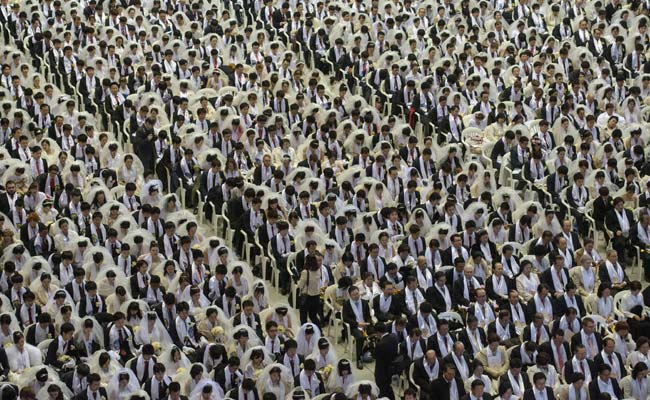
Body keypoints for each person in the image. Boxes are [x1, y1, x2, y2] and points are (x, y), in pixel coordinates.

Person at [373, 322, 399, 400]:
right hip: (391, 367)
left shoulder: (380, 344)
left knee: (382, 390)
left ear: (378, 332)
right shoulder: (394, 337)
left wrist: (373, 346)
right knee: (388, 388)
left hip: (382, 370)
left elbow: (375, 356)